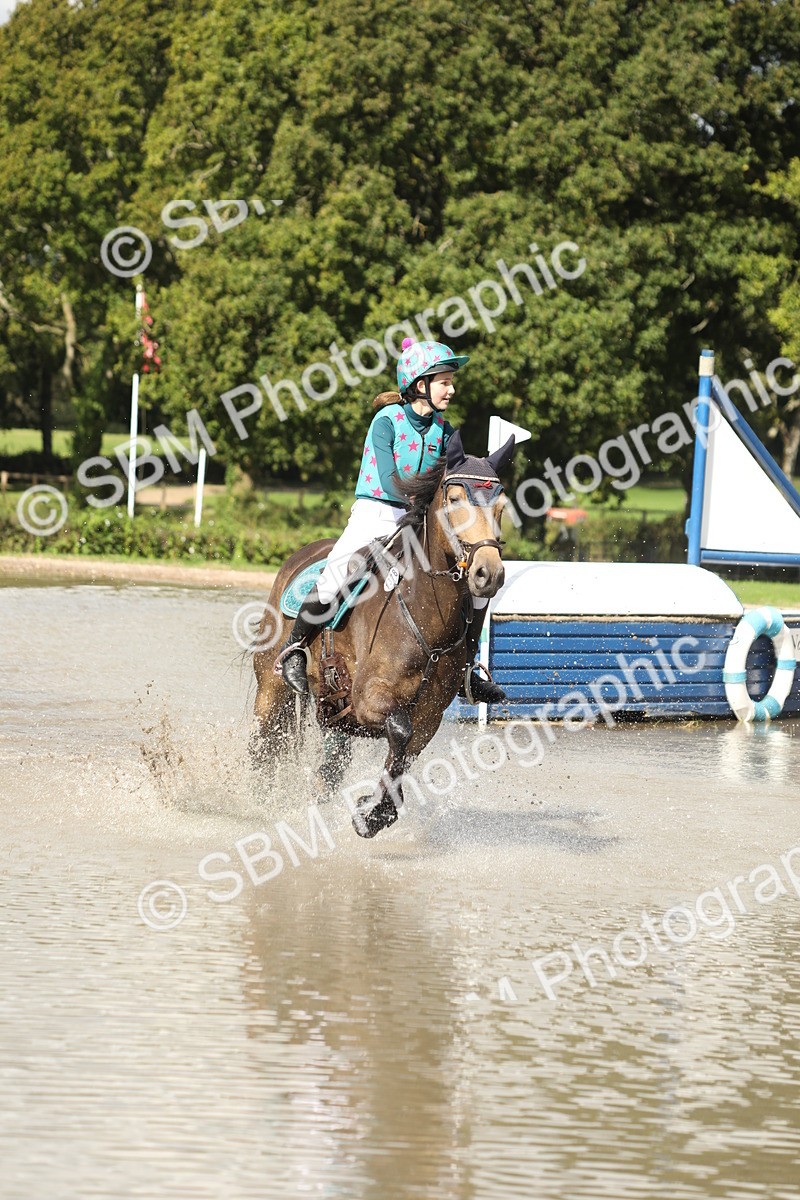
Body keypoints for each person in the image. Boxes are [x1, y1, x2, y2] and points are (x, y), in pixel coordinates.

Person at [277, 338, 506, 704]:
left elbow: (456, 477)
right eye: (445, 382)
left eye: (450, 382)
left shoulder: (446, 431)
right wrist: (416, 503)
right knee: (337, 570)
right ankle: (294, 648)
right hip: (378, 511)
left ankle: (467, 668)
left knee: (472, 587)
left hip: (421, 519)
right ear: (420, 384)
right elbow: (387, 478)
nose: (451, 389)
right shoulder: (387, 421)